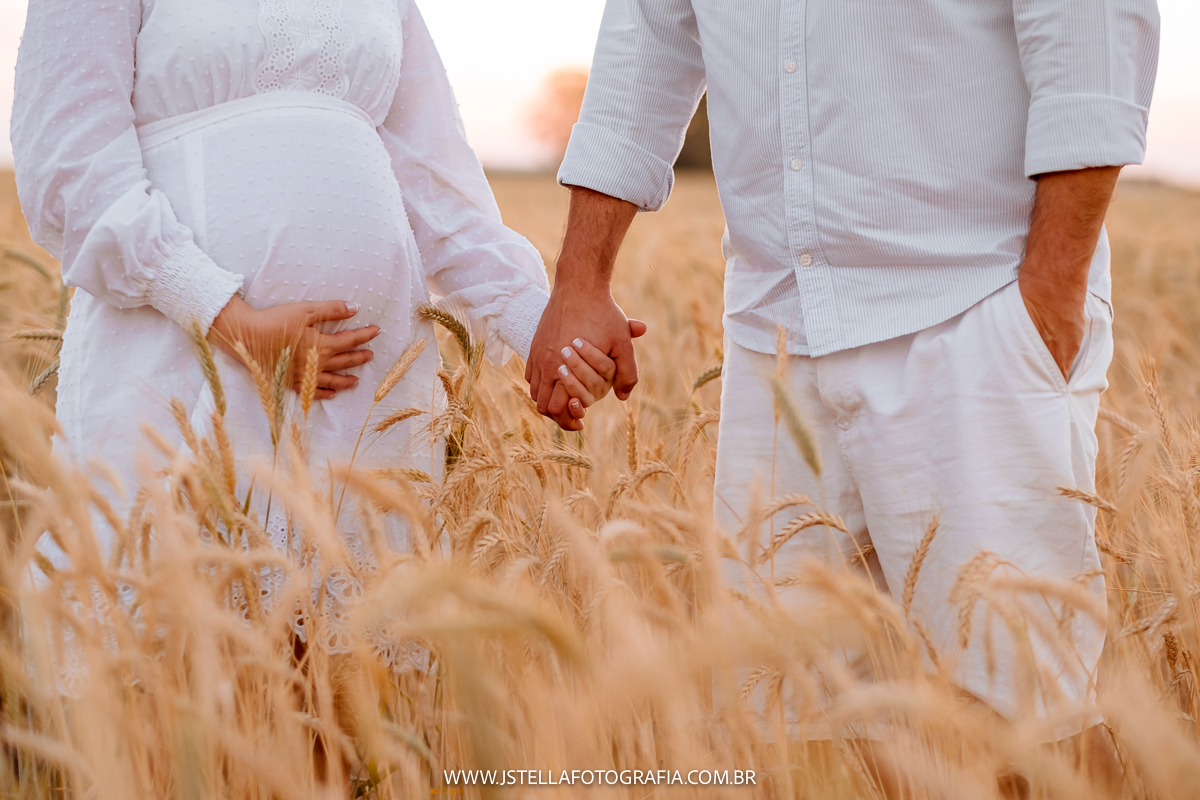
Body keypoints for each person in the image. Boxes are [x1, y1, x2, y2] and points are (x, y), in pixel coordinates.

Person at [525, 0, 1160, 782]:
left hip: (970, 306)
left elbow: (1088, 22)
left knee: (1025, 716)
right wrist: (583, 276)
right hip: (776, 328)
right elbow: (650, 32)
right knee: (785, 720)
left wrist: (1050, 298)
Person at [11, 0, 626, 658]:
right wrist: (224, 314)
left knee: (341, 699)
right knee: (185, 670)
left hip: (366, 400)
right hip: (185, 364)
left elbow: (434, 182)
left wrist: (544, 329)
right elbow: (69, 159)